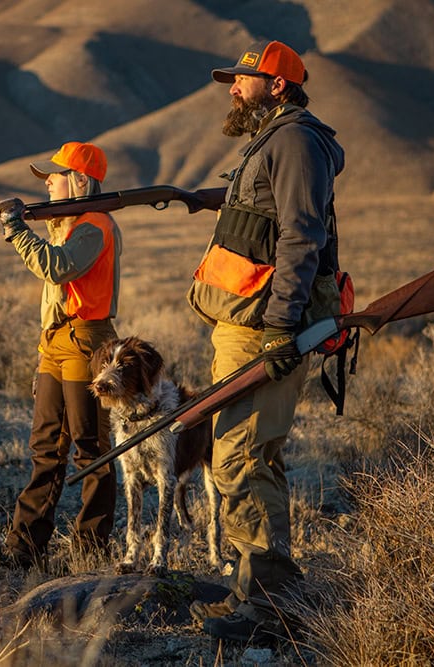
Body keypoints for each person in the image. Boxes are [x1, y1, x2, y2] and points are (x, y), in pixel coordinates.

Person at [185, 40, 345, 644]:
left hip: (263, 327)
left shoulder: (297, 141)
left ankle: (268, 609)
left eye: (244, 78)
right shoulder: (275, 138)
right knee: (246, 453)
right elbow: (271, 217)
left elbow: (302, 237)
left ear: (277, 86)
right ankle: (255, 589)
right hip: (247, 322)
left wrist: (281, 325)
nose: (233, 86)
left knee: (241, 456)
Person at [0, 141, 121, 570]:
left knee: (91, 448)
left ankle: (91, 551)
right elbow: (54, 297)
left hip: (87, 343)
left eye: (55, 175)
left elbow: (57, 268)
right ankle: (24, 548)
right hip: (57, 343)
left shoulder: (95, 225)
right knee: (45, 448)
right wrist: (43, 355)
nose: (48, 182)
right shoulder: (71, 225)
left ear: (78, 180)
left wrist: (17, 230)